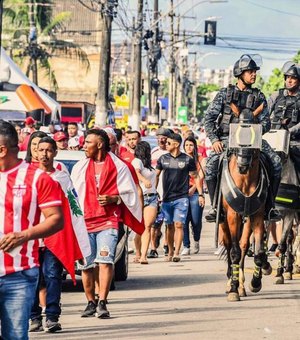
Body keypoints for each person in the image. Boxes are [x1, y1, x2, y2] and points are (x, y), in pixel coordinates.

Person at [0, 121, 63, 340]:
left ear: (2, 149)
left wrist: (25, 235)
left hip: (19, 272)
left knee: (15, 336)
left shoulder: (38, 178)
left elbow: (56, 219)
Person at [71, 129, 144, 319]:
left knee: (105, 261)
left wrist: (114, 198)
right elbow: (72, 196)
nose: (84, 145)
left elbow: (131, 194)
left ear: (100, 144)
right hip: (85, 222)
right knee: (86, 266)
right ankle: (90, 302)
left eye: (88, 142)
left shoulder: (119, 166)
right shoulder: (79, 167)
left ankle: (102, 301)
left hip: (108, 221)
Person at [204, 54, 282, 222]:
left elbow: (266, 123)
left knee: (276, 162)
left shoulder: (260, 96)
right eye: (250, 72)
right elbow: (209, 119)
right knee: (210, 166)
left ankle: (270, 207)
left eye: (255, 72)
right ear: (240, 73)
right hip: (226, 139)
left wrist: (253, 126)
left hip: (254, 141)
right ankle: (215, 207)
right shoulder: (224, 94)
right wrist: (214, 139)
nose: (253, 75)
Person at [156, 133, 204, 262]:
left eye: (168, 143)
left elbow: (196, 176)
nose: (166, 145)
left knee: (179, 225)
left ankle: (177, 252)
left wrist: (200, 194)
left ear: (176, 144)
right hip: (166, 198)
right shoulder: (162, 159)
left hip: (181, 198)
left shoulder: (187, 160)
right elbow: (155, 175)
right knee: (169, 226)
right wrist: (154, 192)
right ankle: (170, 250)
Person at [269, 61, 300, 172]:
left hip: (294, 142)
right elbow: (265, 115)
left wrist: (289, 132)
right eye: (287, 77)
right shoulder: (276, 95)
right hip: (273, 139)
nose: (289, 81)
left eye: (293, 78)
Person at [132, 141, 158, 264]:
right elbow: (135, 173)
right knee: (139, 228)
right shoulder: (137, 161)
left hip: (152, 196)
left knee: (147, 226)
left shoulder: (148, 165)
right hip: (140, 196)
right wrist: (144, 180)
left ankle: (143, 256)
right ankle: (138, 252)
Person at [150, 128, 173, 258]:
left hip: (170, 193)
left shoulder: (175, 154)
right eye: (158, 137)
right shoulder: (154, 153)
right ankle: (153, 248)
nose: (161, 139)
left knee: (169, 222)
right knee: (155, 223)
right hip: (156, 193)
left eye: (163, 137)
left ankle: (166, 244)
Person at [181, 136, 205, 255]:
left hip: (196, 192)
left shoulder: (201, 159)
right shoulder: (181, 159)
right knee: (183, 220)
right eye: (186, 145)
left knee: (196, 221)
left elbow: (200, 176)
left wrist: (194, 188)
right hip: (182, 193)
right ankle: (186, 245)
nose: (188, 147)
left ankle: (196, 240)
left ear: (195, 146)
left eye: (191, 145)